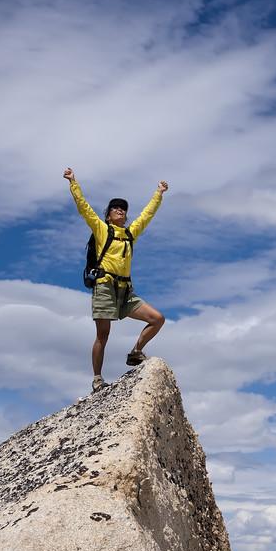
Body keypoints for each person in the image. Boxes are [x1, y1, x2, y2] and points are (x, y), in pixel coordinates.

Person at [63, 167, 169, 392]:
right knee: (103, 335)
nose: (120, 211)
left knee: (157, 319)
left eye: (123, 209)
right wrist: (73, 182)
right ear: (109, 214)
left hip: (126, 291)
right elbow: (84, 208)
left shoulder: (130, 233)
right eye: (115, 208)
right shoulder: (102, 230)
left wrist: (158, 194)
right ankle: (97, 378)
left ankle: (135, 352)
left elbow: (147, 215)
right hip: (104, 287)